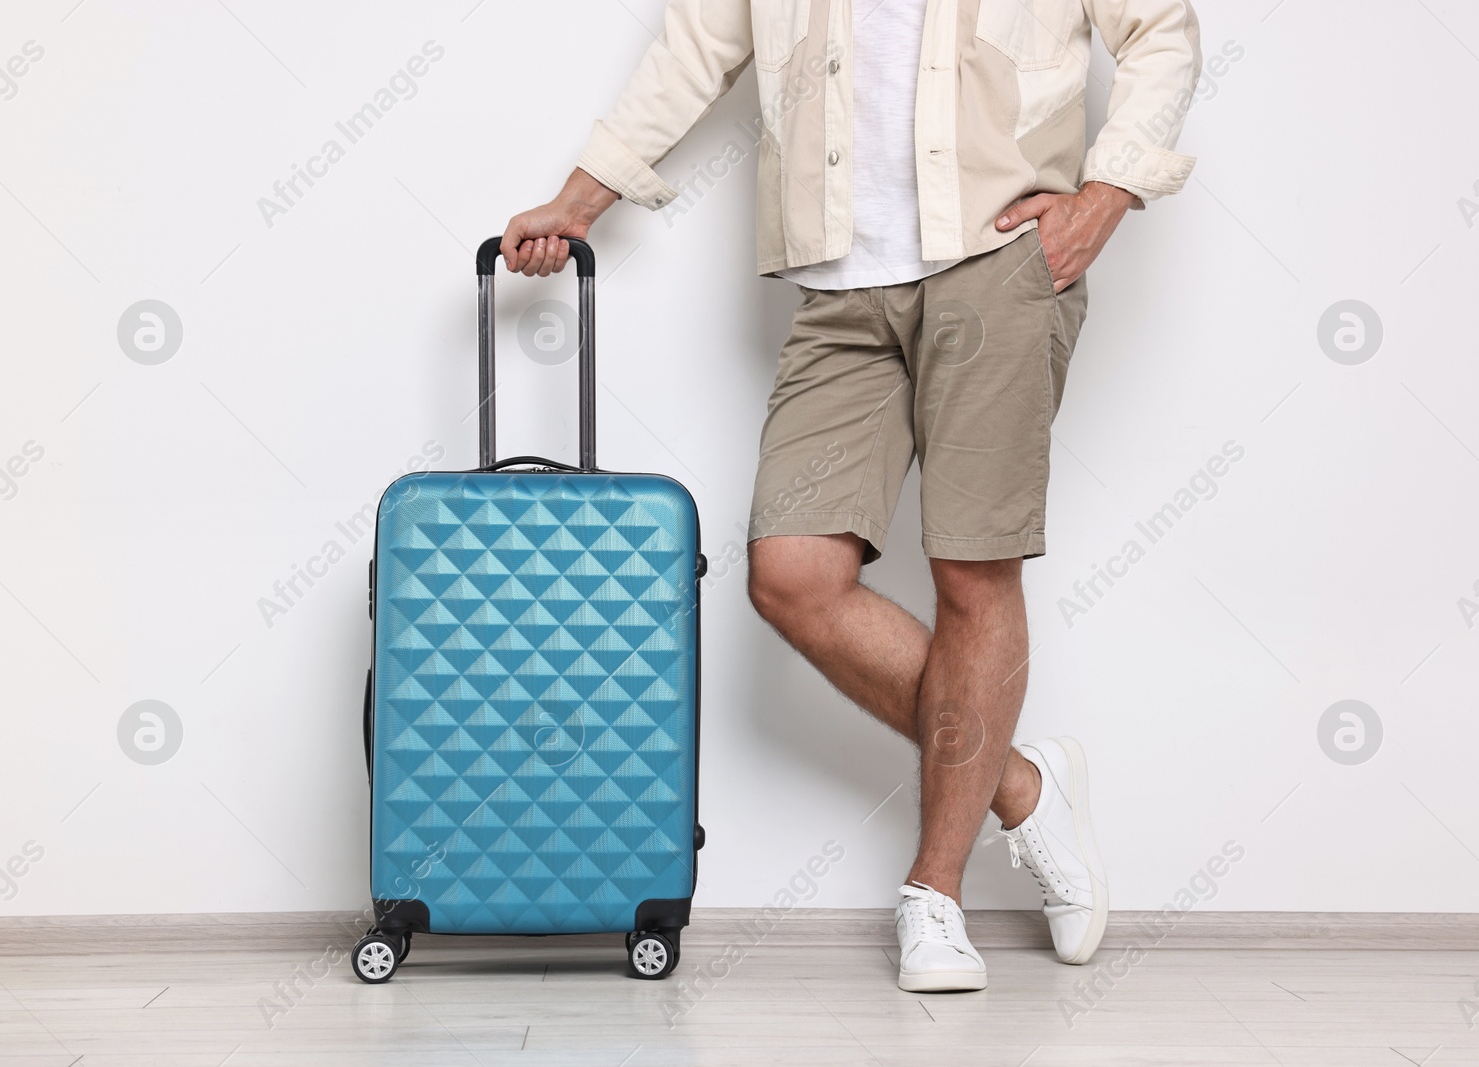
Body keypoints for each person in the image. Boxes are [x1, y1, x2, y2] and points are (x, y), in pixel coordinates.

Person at [501, 0, 1201, 992]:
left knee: (970, 563)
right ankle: (1023, 786)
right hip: (840, 281)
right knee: (792, 574)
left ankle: (935, 893)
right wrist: (578, 200)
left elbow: (1160, 30)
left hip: (1000, 258)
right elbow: (697, 48)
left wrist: (1106, 192)